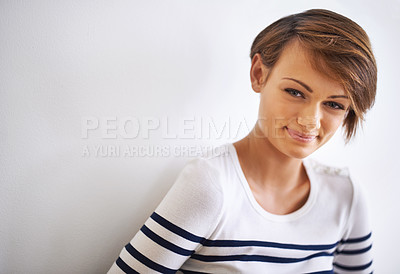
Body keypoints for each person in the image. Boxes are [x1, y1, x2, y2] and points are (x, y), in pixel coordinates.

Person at [108, 9, 376, 273]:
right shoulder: (211, 186)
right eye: (295, 92)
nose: (310, 120)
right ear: (259, 73)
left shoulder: (345, 196)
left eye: (333, 104)